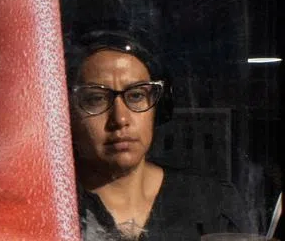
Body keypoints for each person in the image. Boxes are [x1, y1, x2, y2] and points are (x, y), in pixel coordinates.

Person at [68, 29, 254, 240]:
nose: (120, 119)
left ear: (158, 107)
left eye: (136, 95)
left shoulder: (212, 202)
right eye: (96, 99)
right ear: (68, 113)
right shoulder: (52, 206)